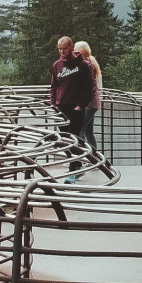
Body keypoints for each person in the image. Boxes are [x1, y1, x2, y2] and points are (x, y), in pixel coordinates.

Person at [47, 35, 93, 178]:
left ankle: (74, 169)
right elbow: (53, 86)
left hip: (76, 108)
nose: (62, 52)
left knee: (75, 137)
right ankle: (76, 165)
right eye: (59, 49)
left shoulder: (83, 65)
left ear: (71, 47)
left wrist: (80, 105)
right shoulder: (56, 65)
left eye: (64, 49)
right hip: (61, 108)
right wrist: (54, 104)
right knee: (65, 139)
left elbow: (88, 87)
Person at [73, 40, 103, 155]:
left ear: (81, 51)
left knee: (80, 129)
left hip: (88, 103)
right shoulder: (92, 61)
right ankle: (94, 157)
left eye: (76, 50)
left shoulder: (87, 64)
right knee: (89, 132)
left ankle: (81, 157)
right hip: (93, 102)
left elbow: (85, 85)